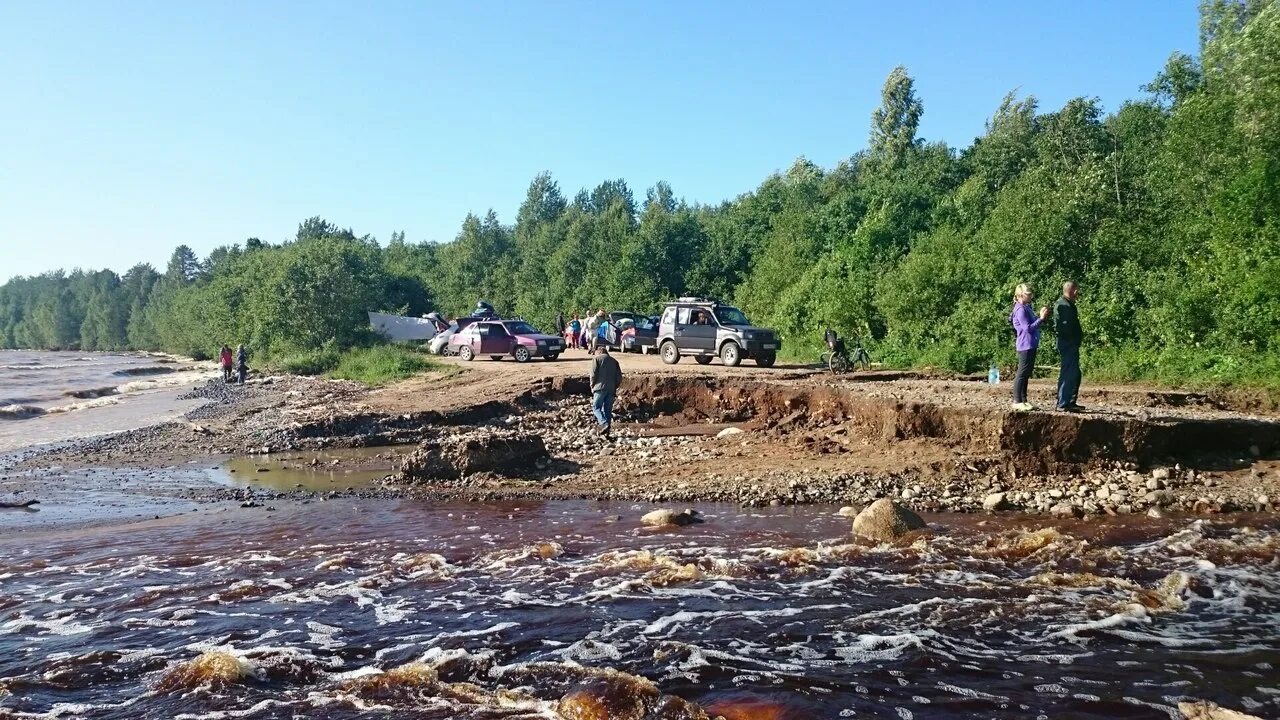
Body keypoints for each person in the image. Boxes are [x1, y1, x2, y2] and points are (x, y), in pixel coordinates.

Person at [1009, 283, 1050, 411]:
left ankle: (1024, 400)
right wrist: (1041, 318)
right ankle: (1017, 400)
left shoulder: (1026, 307)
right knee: (1022, 372)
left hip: (1030, 344)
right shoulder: (1020, 309)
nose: (1030, 295)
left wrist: (1040, 317)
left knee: (1026, 373)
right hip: (1025, 345)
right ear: (1020, 294)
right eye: (1028, 294)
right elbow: (1027, 328)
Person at [1055, 281, 1084, 412]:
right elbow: (1065, 327)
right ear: (1072, 290)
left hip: (1070, 344)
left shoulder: (1068, 304)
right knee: (1068, 373)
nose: (1078, 293)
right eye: (1076, 290)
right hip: (1068, 344)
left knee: (1075, 373)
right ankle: (1063, 403)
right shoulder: (1063, 305)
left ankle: (1070, 401)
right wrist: (1073, 340)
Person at [590, 343, 622, 435]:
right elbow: (619, 377)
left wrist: (592, 386)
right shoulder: (615, 361)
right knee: (607, 411)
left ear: (599, 352)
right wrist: (615, 386)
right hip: (611, 389)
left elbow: (593, 374)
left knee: (596, 408)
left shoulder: (596, 359)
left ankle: (604, 424)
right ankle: (607, 431)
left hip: (599, 388)